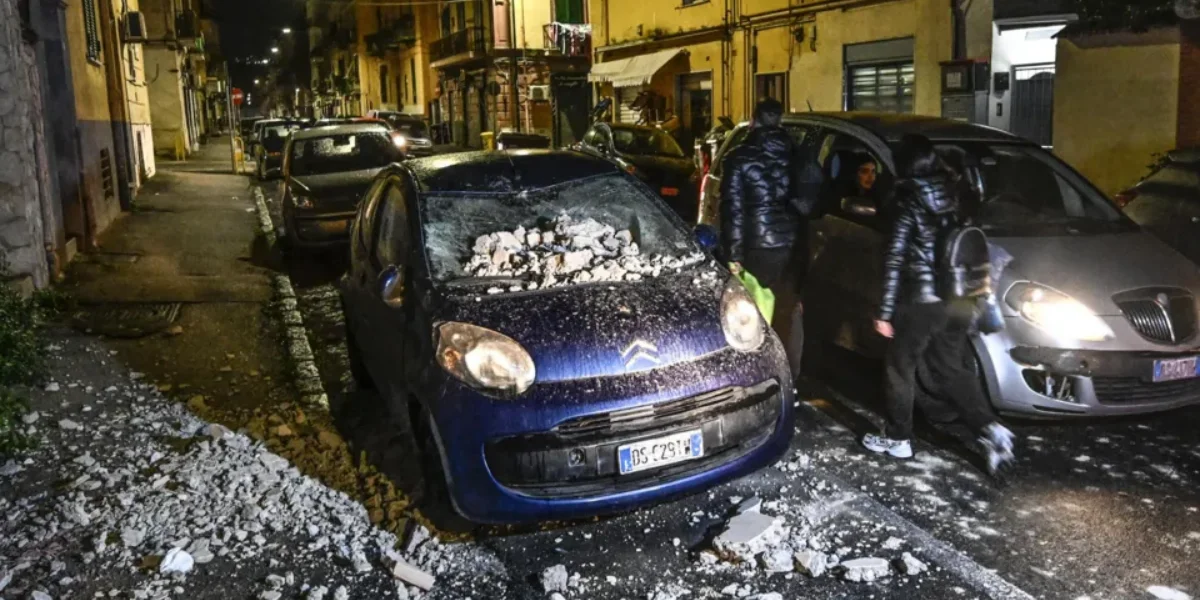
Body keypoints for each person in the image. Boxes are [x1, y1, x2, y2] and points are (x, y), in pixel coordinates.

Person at [862, 134, 1016, 476]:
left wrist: (885, 313)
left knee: (900, 366)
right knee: (951, 368)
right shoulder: (957, 194)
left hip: (922, 300)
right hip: (960, 296)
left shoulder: (908, 203)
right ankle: (991, 428)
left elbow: (895, 259)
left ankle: (898, 438)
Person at [719, 98, 801, 292]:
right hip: (790, 243)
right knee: (782, 303)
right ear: (779, 123)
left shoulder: (738, 158)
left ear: (752, 122)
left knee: (752, 307)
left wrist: (734, 255)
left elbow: (734, 210)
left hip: (756, 245)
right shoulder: (796, 154)